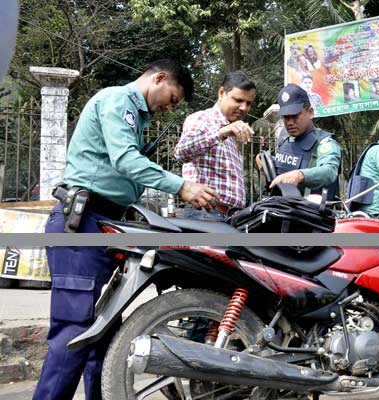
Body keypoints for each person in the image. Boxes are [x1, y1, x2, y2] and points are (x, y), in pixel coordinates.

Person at [33, 59, 218, 400]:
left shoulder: (136, 116)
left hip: (103, 225)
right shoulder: (118, 100)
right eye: (172, 99)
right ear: (160, 78)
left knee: (103, 334)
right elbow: (125, 160)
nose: (168, 108)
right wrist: (182, 186)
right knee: (73, 332)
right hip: (81, 226)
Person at [174, 70, 256, 221]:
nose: (244, 108)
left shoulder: (231, 131)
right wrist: (221, 133)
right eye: (238, 100)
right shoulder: (202, 118)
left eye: (248, 103)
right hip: (206, 213)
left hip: (230, 217)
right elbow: (181, 152)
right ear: (221, 93)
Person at [270, 83, 341, 201]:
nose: (290, 122)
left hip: (311, 215)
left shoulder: (325, 142)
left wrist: (301, 175)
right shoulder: (284, 137)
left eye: (295, 116)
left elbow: (329, 171)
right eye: (286, 117)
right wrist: (265, 161)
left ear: (310, 112)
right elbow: (284, 165)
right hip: (282, 209)